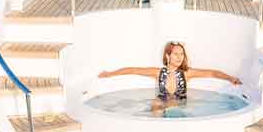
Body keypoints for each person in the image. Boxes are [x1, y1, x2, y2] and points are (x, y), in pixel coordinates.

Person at [99, 41, 240, 114]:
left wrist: (230, 78)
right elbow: (133, 70)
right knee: (156, 103)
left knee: (169, 104)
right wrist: (110, 74)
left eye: (182, 54)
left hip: (179, 103)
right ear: (168, 56)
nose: (180, 57)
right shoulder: (158, 72)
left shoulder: (187, 73)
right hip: (161, 102)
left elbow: (212, 73)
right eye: (176, 54)